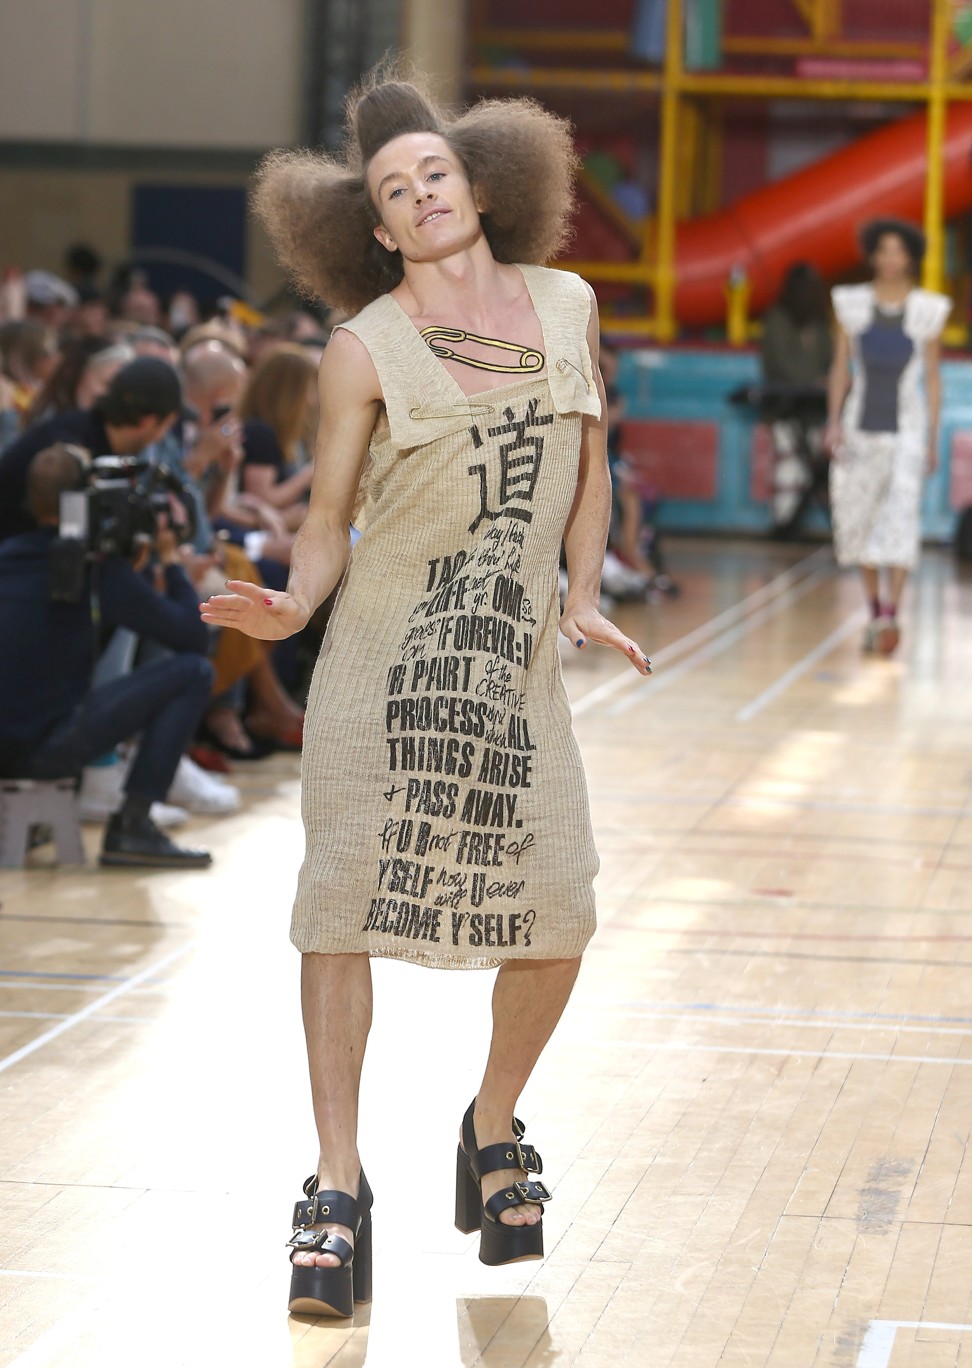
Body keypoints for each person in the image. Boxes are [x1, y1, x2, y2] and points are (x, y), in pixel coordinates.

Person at [201, 70, 651, 1318]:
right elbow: (329, 520)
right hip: (379, 673)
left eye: (434, 172)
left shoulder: (569, 303)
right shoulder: (364, 348)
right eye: (394, 192)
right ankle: (337, 1185)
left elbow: (590, 452)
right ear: (379, 232)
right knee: (337, 913)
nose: (420, 195)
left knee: (557, 913)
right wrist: (294, 606)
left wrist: (582, 589)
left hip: (509, 673)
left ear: (480, 185)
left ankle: (491, 1121)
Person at [0, 445, 213, 868]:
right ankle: (132, 826)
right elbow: (192, 637)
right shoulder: (95, 569)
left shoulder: (7, 555)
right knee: (194, 673)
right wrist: (171, 562)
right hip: (47, 748)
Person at [826, 219, 949, 654]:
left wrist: (933, 437)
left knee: (901, 520)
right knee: (860, 519)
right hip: (861, 428)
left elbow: (932, 378)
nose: (891, 259)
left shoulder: (927, 310)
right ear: (873, 256)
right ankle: (875, 607)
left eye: (899, 251)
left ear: (911, 256)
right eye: (884, 250)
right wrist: (832, 421)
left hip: (907, 433)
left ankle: (891, 613)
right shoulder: (850, 304)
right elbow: (841, 368)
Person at [0, 355, 181, 541]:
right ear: (147, 421)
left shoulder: (90, 436)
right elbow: (70, 540)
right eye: (165, 426)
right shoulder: (71, 453)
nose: (161, 438)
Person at [759, 263, 832, 535]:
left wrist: (830, 381)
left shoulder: (819, 324)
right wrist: (815, 380)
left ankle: (791, 523)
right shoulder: (777, 320)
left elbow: (831, 360)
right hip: (783, 409)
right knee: (789, 464)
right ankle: (784, 522)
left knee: (810, 466)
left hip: (814, 411)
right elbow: (780, 365)